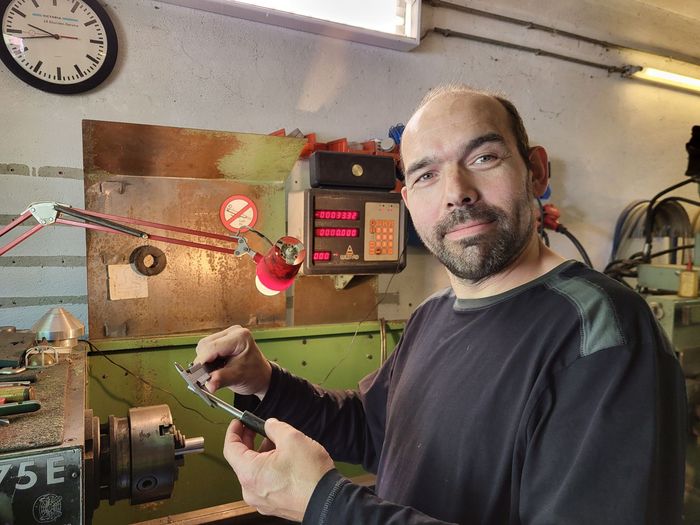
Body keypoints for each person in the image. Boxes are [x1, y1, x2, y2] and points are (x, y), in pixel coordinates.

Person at [194, 85, 687, 524]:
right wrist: (266, 382)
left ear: (535, 171)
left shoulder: (602, 334)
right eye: (427, 174)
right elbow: (372, 430)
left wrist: (328, 506)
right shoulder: (433, 313)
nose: (457, 193)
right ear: (408, 201)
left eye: (484, 157)